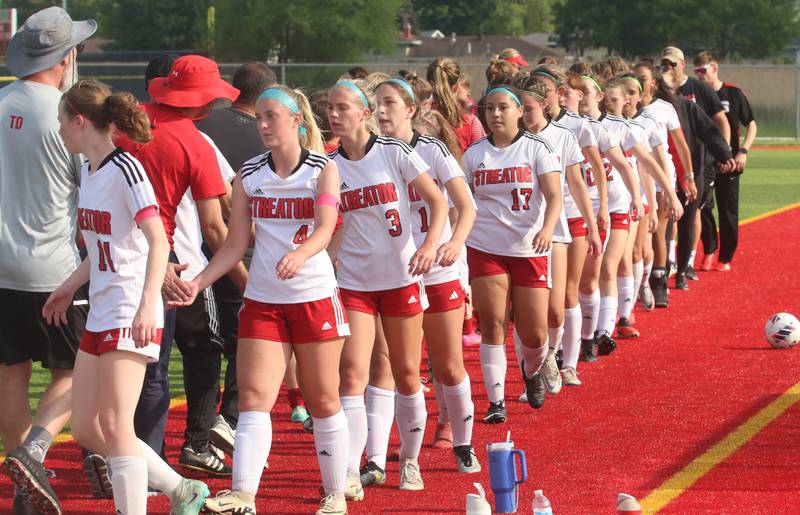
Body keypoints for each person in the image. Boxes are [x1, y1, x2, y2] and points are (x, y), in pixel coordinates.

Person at [174, 84, 350, 515]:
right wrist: (199, 281)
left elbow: (327, 227)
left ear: (296, 120)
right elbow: (234, 245)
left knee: (324, 398)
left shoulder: (322, 169)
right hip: (264, 299)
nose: (265, 125)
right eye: (261, 117)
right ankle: (244, 494)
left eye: (273, 116)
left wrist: (301, 253)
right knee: (253, 397)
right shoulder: (249, 174)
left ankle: (334, 492)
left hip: (313, 296)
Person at [41, 79, 209, 515]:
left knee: (116, 425)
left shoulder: (127, 169)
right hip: (102, 308)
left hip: (131, 308)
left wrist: (147, 303)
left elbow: (158, 240)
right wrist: (68, 286)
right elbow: (102, 247)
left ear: (80, 121)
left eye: (62, 122)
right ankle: (181, 489)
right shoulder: (89, 171)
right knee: (85, 427)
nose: (60, 132)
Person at [115, 55, 248, 459]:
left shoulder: (123, 125)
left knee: (113, 358)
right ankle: (188, 446)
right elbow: (215, 224)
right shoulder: (195, 142)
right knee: (192, 351)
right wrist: (246, 281)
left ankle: (109, 451)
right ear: (201, 99)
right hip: (173, 258)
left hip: (110, 253)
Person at [327, 79, 448, 495]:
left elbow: (439, 201)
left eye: (343, 107)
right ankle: (349, 469)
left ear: (364, 113)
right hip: (355, 282)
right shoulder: (329, 164)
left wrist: (430, 245)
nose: (334, 114)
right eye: (330, 107)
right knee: (352, 375)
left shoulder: (394, 151)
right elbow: (332, 224)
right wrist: (329, 259)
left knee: (407, 373)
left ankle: (410, 462)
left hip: (400, 277)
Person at [359, 77, 479, 484]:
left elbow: (464, 206)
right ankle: (377, 457)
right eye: (376, 104)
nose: (381, 111)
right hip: (392, 276)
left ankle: (462, 442)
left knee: (446, 365)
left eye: (390, 103)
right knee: (386, 365)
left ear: (411, 109)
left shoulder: (431, 149)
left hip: (437, 270)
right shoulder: (369, 155)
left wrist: (454, 244)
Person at [0, 7, 94, 513]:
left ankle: (22, 480)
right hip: (55, 264)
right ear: (66, 55)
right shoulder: (66, 114)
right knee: (80, 367)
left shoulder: (0, 101)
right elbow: (92, 189)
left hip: (1, 265)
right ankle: (33, 455)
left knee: (9, 370)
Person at [463, 85, 562, 422]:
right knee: (491, 324)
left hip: (529, 247)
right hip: (486, 247)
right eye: (489, 108)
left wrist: (548, 228)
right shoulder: (475, 154)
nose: (496, 114)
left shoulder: (536, 148)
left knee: (534, 333)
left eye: (503, 107)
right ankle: (496, 402)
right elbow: (463, 202)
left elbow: (554, 196)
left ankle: (532, 370)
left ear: (520, 111)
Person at [514, 70, 600, 398]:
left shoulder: (563, 136)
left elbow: (577, 184)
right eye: (520, 107)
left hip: (557, 229)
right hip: (519, 233)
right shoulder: (512, 141)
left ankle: (553, 357)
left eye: (530, 106)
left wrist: (592, 227)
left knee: (555, 306)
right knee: (524, 312)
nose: (524, 113)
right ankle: (531, 374)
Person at [660, 46, 730, 286]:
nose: (668, 69)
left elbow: (711, 128)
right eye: (664, 65)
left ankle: (682, 270)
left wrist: (724, 153)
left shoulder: (692, 98)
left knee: (689, 219)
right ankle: (662, 268)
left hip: (693, 169)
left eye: (672, 64)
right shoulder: (655, 103)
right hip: (665, 172)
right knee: (665, 221)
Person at [633, 62, 694, 308]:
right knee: (640, 232)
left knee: (658, 230)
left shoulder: (663, 108)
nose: (640, 82)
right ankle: (639, 280)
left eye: (644, 78)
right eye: (635, 78)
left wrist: (687, 176)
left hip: (660, 176)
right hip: (634, 178)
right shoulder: (627, 111)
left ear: (653, 83)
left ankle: (659, 284)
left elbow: (680, 145)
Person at [693, 50, 757, 271]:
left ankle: (725, 257)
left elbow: (751, 124)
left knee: (728, 210)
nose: (700, 75)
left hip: (730, 160)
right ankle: (709, 249)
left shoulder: (733, 93)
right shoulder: (696, 95)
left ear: (715, 68)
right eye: (696, 71)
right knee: (702, 206)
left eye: (703, 70)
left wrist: (743, 151)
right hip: (704, 161)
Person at [427, 58, 486, 153]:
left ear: (429, 85)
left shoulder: (421, 121)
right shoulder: (470, 122)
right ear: (457, 86)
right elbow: (481, 159)